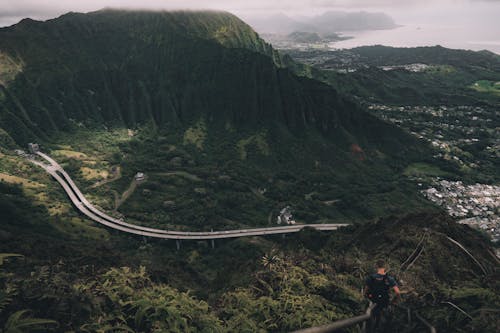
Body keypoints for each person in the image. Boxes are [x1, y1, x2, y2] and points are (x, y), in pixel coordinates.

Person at [364, 259, 401, 331]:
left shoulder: (371, 277)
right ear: (385, 267)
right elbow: (398, 292)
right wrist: (394, 301)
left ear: (376, 266)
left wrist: (365, 296)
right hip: (384, 302)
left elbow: (366, 290)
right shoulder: (389, 278)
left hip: (373, 301)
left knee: (369, 315)